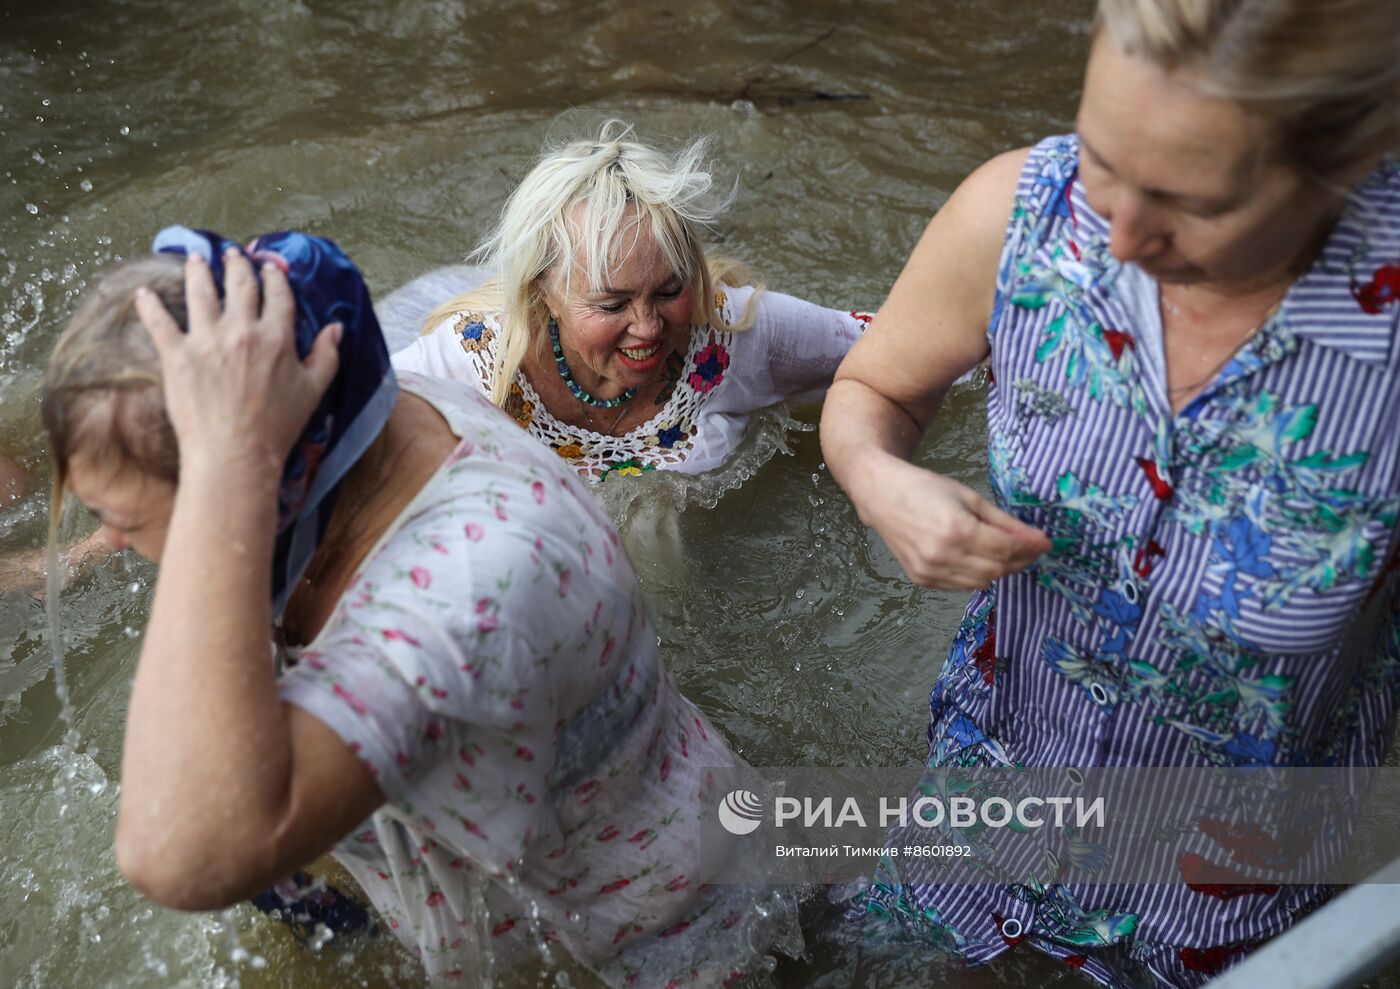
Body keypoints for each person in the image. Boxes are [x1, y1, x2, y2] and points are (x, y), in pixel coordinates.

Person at [42, 227, 798, 987]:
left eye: (130, 522)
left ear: (259, 478)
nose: (111, 539)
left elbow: (171, 851)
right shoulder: (370, 414)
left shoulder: (465, 596)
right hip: (629, 832)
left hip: (666, 951)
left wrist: (219, 486)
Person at [820, 0, 1400, 985]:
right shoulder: (1021, 216)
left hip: (1234, 883)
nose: (1118, 237)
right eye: (1099, 157)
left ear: (1345, 163)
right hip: (984, 799)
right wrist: (882, 480)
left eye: (1192, 201)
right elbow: (869, 390)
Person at [386, 121, 878, 482]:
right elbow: (333, 432)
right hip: (423, 304)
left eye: (668, 291)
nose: (647, 327)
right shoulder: (473, 362)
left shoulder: (736, 334)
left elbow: (902, 346)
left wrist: (866, 460)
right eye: (612, 305)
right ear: (543, 293)